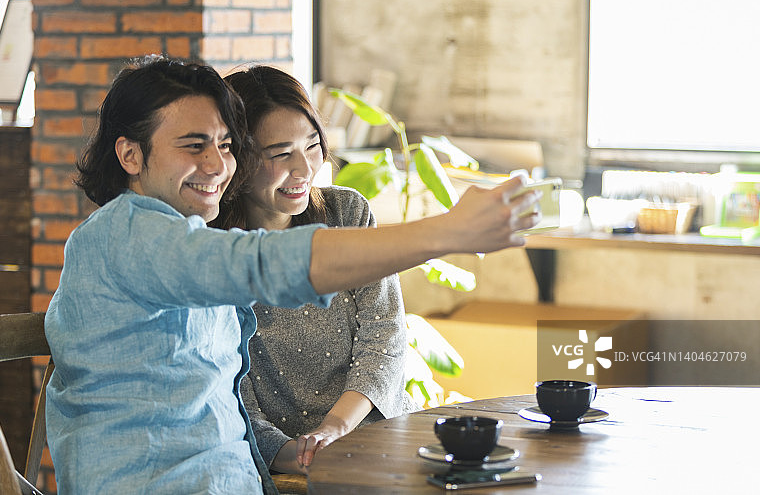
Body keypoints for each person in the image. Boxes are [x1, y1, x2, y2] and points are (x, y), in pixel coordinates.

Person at [44, 54, 541, 495]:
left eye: (224, 144)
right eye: (194, 146)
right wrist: (450, 231)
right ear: (130, 154)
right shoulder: (126, 237)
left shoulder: (191, 238)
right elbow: (267, 263)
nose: (218, 164)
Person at [212, 65, 419, 474]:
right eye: (280, 154)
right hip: (285, 464)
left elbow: (385, 336)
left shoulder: (347, 212)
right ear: (236, 158)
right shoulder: (215, 253)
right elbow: (231, 394)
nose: (305, 169)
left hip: (380, 438)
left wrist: (335, 429)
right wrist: (305, 454)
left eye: (311, 146)